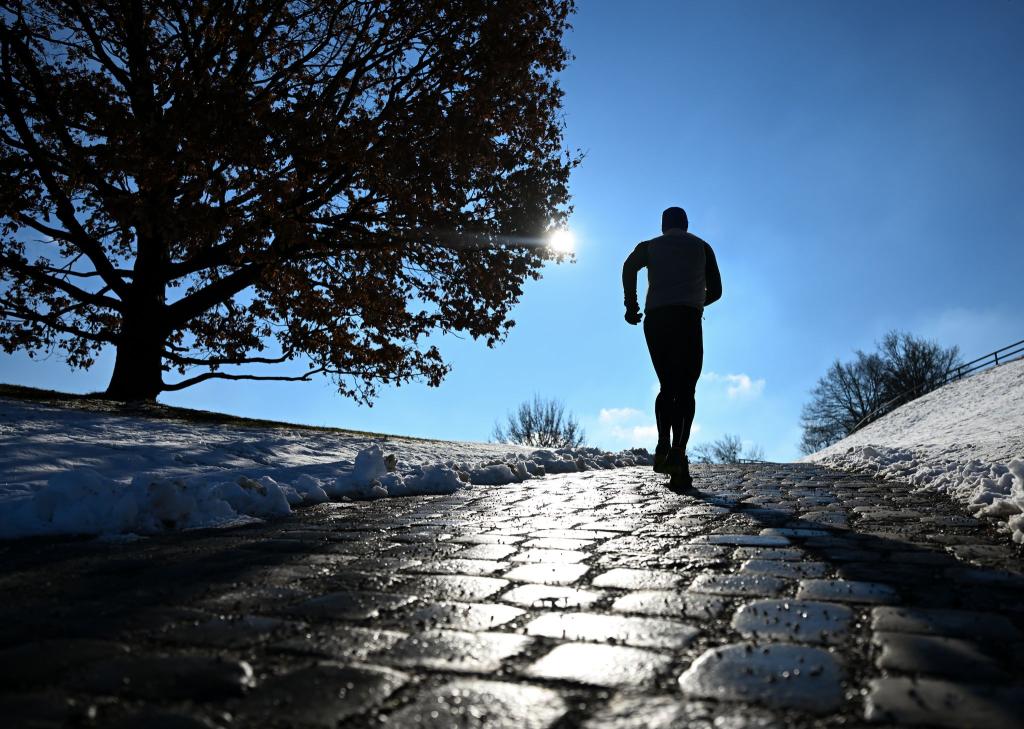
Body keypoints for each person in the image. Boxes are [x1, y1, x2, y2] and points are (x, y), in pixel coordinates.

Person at [622, 206, 722, 489]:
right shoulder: (703, 247)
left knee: (667, 385)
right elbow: (716, 290)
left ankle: (662, 446)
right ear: (686, 224)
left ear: (663, 225)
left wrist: (631, 305)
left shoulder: (650, 246)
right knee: (687, 388)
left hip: (656, 321)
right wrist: (694, 301)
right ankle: (678, 452)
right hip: (687, 319)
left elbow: (629, 267)